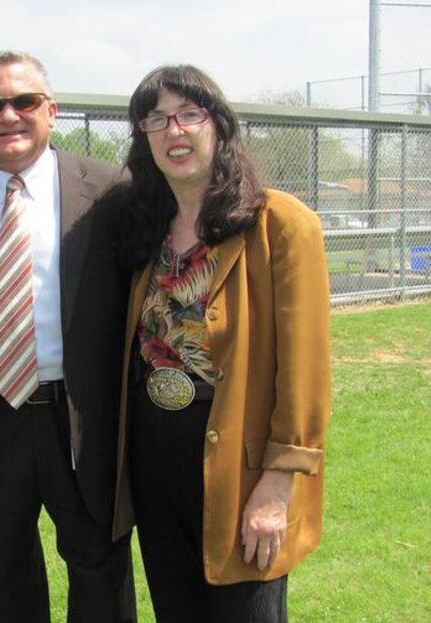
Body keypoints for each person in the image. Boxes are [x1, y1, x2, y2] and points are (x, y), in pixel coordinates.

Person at [0, 51, 136, 623]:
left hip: (81, 417)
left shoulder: (111, 191)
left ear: (51, 109)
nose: (8, 114)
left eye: (25, 101)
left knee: (101, 576)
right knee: (4, 578)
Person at [111, 64, 331, 622]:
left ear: (219, 125)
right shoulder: (144, 225)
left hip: (239, 461)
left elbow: (305, 371)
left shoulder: (280, 224)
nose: (174, 131)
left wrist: (276, 486)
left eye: (189, 114)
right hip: (154, 456)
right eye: (156, 119)